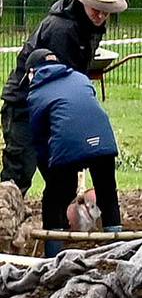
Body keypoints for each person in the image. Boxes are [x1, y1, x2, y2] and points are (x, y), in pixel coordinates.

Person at [3, 0, 124, 193]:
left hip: (54, 105)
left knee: (63, 180)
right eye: (96, 8)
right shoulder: (61, 29)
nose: (100, 14)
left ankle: (59, 223)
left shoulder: (90, 25)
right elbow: (60, 83)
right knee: (17, 176)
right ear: (84, 2)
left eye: (105, 10)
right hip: (26, 106)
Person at [23, 48, 122, 255]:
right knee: (107, 192)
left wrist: (50, 174)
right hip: (104, 140)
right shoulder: (80, 77)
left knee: (53, 198)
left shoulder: (36, 94)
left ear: (33, 72)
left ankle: (52, 254)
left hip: (68, 145)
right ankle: (119, 249)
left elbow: (39, 140)